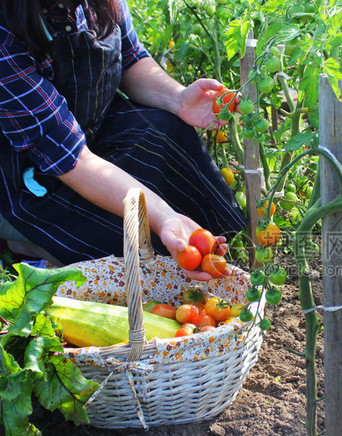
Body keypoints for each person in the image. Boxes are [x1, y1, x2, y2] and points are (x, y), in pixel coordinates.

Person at [0, 0, 246, 279]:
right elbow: (71, 159)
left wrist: (177, 99)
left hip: (91, 132)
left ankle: (210, 249)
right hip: (29, 174)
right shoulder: (5, 35)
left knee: (164, 129)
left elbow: (130, 59)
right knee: (131, 250)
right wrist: (164, 216)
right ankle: (21, 239)